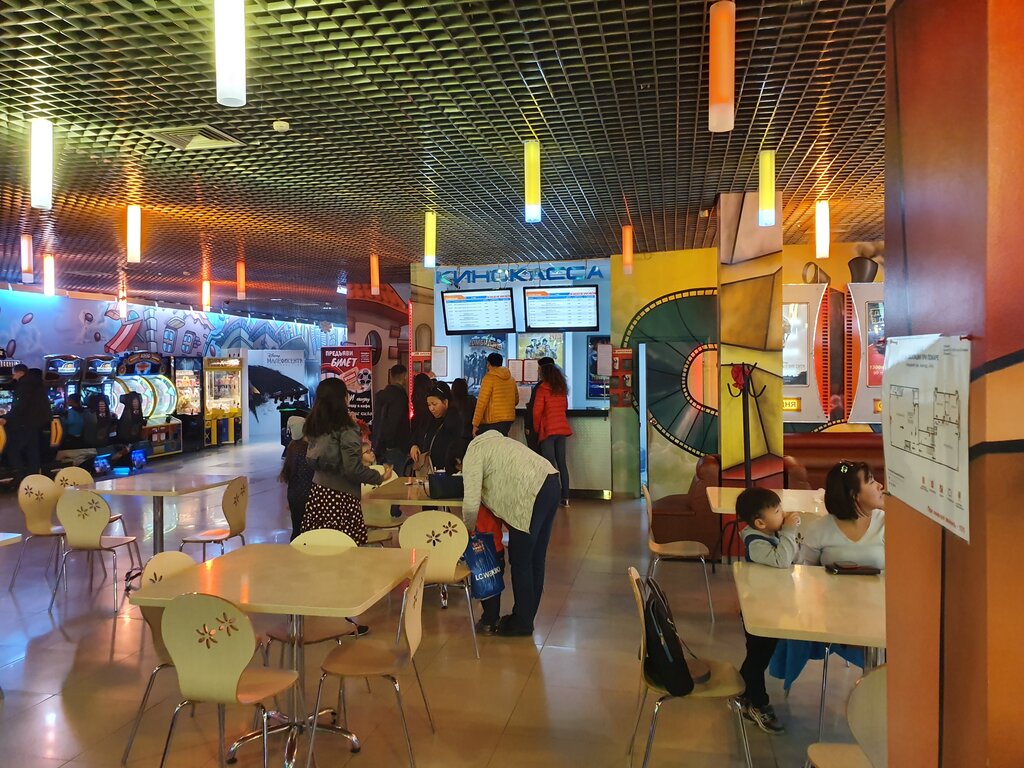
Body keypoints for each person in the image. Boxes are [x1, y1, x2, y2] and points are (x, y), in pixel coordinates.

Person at [460, 429, 559, 636]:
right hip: (551, 480)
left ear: (457, 461)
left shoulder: (473, 452)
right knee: (536, 558)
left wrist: (467, 530)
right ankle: (526, 617)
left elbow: (470, 505)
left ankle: (522, 623)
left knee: (521, 560)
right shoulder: (499, 442)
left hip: (529, 494)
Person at [736, 486, 801, 735]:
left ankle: (741, 690)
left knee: (758, 656)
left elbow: (792, 555)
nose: (782, 514)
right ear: (760, 523)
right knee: (758, 658)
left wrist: (788, 534)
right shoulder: (755, 542)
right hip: (758, 610)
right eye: (777, 512)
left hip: (771, 606)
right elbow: (781, 561)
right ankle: (757, 703)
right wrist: (789, 532)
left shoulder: (770, 534)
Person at [303, 378, 393, 544]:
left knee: (320, 545)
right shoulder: (347, 428)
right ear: (343, 399)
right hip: (342, 497)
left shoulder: (315, 425)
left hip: (318, 494)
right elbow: (353, 469)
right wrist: (379, 477)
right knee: (346, 547)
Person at [798, 460, 886, 569]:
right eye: (871, 481)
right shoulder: (819, 528)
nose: (880, 485)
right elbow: (805, 570)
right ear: (853, 494)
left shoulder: (886, 523)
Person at [533, 362, 573, 506]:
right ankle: (566, 497)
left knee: (550, 466)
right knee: (562, 463)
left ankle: (552, 498)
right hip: (561, 428)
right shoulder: (561, 388)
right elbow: (565, 407)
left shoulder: (542, 389)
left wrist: (537, 428)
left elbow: (537, 412)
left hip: (548, 430)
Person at [2, 365, 52, 476]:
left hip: (25, 422)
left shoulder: (25, 384)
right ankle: (33, 474)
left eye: (14, 374)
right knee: (32, 450)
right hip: (36, 421)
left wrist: (6, 418)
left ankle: (18, 474)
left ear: (20, 373)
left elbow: (20, 405)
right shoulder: (36, 382)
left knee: (12, 448)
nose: (13, 376)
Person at [409, 384, 464, 475]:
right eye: (429, 405)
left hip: (446, 473)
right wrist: (414, 445)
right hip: (427, 471)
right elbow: (417, 435)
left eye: (434, 404)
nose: (431, 408)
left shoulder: (454, 421)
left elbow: (456, 447)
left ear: (445, 402)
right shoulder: (428, 419)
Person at [371, 364, 410, 474]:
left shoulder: (382, 395)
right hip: (395, 446)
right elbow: (394, 422)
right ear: (405, 377)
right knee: (395, 478)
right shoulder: (400, 397)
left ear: (391, 377)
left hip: (379, 445)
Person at [280, 420, 314, 541]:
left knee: (296, 528)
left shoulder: (292, 448)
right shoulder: (308, 450)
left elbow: (288, 474)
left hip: (294, 495)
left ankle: (293, 548)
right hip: (307, 495)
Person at [472, 353, 519, 436]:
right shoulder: (511, 379)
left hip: (492, 422)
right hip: (507, 421)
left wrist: (475, 424)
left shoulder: (489, 378)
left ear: (488, 364)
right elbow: (516, 400)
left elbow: (481, 403)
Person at [523, 357, 554, 453]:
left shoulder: (540, 387)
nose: (537, 371)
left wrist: (528, 426)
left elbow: (535, 410)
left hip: (540, 428)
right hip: (556, 429)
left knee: (537, 456)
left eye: (539, 368)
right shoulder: (559, 385)